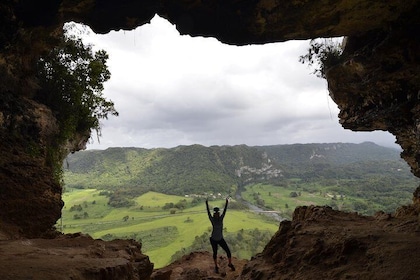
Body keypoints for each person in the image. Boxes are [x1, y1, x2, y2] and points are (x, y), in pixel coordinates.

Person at [206, 197, 235, 273]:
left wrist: (226, 202)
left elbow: (225, 211)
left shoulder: (221, 218)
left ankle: (230, 263)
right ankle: (216, 266)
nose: (217, 214)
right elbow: (208, 212)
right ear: (214, 214)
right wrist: (206, 204)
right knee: (215, 253)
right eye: (216, 213)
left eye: (218, 213)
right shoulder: (212, 220)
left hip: (220, 238)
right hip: (213, 240)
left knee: (228, 251)